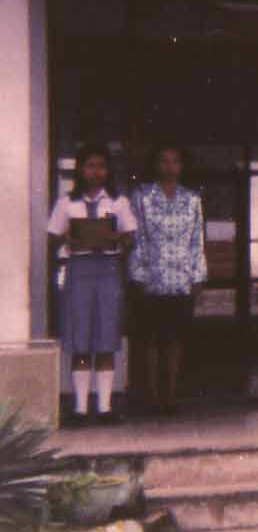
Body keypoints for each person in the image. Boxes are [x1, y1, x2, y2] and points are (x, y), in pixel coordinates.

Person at [46, 144, 137, 424]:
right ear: (80, 169)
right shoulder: (67, 203)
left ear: (108, 170)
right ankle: (81, 408)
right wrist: (68, 240)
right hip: (79, 270)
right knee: (82, 338)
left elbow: (131, 238)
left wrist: (118, 238)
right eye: (90, 166)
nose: (96, 172)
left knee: (106, 337)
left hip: (108, 270)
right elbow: (53, 236)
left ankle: (106, 407)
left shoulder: (118, 202)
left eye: (101, 166)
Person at [127, 144, 206, 416]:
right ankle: (151, 395)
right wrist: (137, 273)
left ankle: (171, 396)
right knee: (151, 338)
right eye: (164, 161)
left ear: (182, 166)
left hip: (181, 277)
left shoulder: (192, 199)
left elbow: (197, 239)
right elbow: (137, 237)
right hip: (151, 275)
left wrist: (198, 275)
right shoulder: (142, 196)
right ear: (155, 164)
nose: (169, 166)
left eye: (175, 161)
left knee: (175, 338)